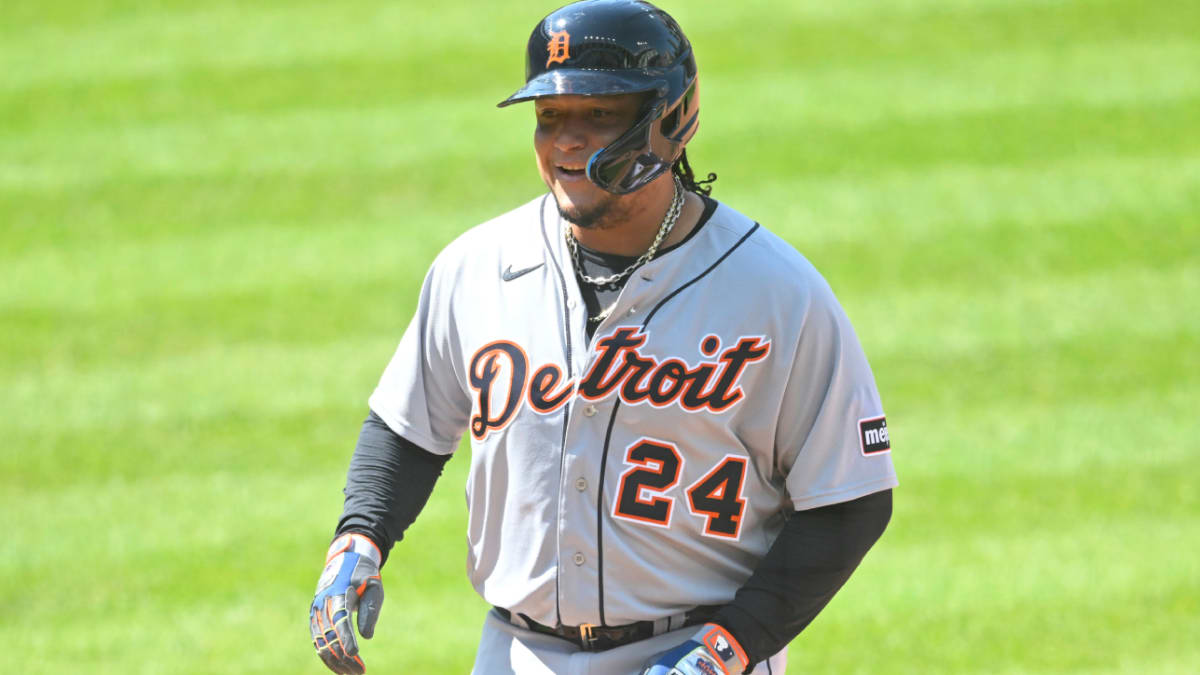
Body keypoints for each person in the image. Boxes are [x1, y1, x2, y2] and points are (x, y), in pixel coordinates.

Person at [308, 1, 897, 673]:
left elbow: (850, 497)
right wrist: (358, 537)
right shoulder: (476, 268)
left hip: (698, 651)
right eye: (550, 117)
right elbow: (407, 429)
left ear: (669, 119)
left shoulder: (775, 295)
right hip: (517, 652)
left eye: (599, 115)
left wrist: (732, 645)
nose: (564, 142)